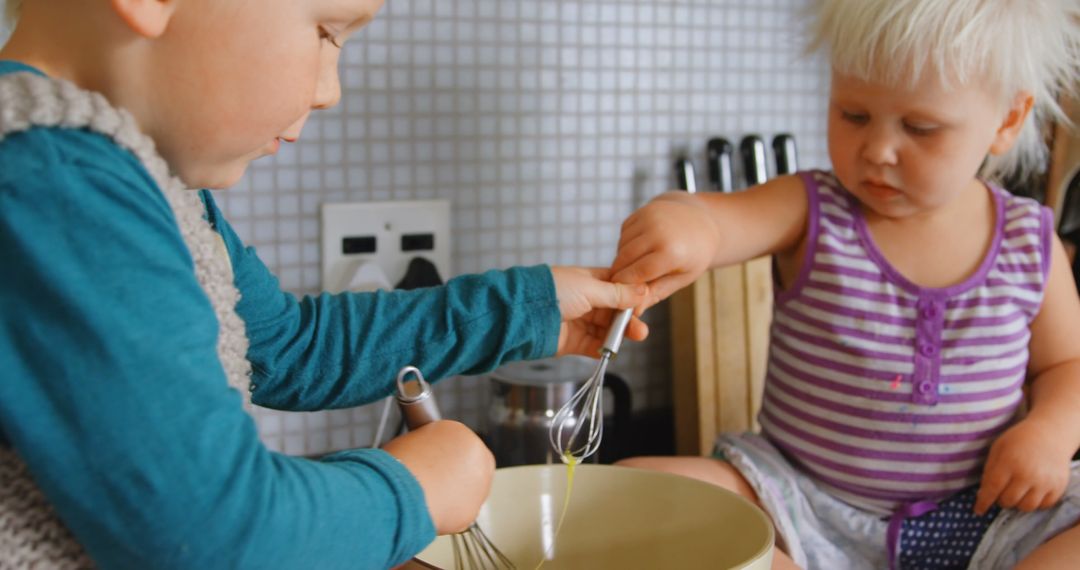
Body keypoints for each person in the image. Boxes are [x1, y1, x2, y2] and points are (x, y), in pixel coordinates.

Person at [0, 0, 651, 568]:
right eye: (326, 32)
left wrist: (528, 311)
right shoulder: (54, 181)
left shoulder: (131, 179)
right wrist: (414, 488)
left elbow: (288, 345)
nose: (328, 91)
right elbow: (220, 537)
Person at [609, 1, 1080, 568]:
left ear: (1007, 120)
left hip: (983, 518)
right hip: (801, 506)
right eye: (853, 115)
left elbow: (1068, 365)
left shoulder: (1030, 242)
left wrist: (1052, 431)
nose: (877, 150)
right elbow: (719, 219)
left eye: (919, 127)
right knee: (636, 488)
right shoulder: (813, 208)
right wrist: (688, 223)